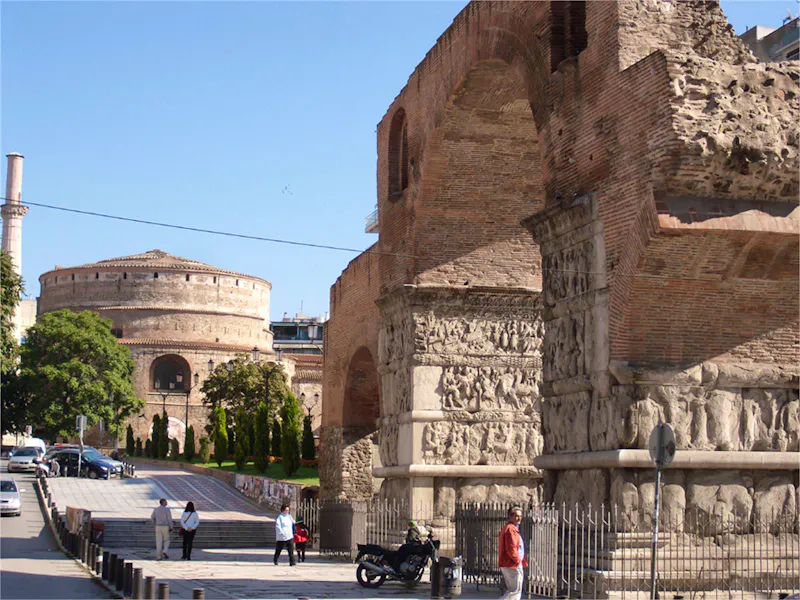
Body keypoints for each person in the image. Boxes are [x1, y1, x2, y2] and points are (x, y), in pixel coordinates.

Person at [498, 506, 527, 600]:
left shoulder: (510, 528)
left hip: (509, 563)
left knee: (512, 590)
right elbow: (511, 548)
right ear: (510, 516)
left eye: (520, 516)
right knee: (515, 591)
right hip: (512, 564)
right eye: (517, 516)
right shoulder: (511, 529)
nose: (519, 518)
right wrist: (517, 561)